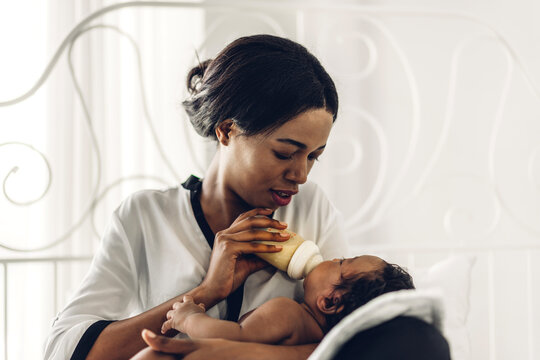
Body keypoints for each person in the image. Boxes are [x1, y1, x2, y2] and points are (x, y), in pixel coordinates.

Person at [44, 34, 350, 360]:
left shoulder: (312, 208)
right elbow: (65, 351)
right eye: (285, 153)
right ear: (227, 130)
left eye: (314, 156)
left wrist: (231, 354)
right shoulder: (145, 216)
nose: (301, 175)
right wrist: (207, 291)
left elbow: (356, 338)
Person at [158, 255, 415, 345]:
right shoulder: (317, 338)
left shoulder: (288, 313)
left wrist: (189, 319)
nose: (334, 257)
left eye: (341, 263)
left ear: (328, 302)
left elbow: (230, 337)